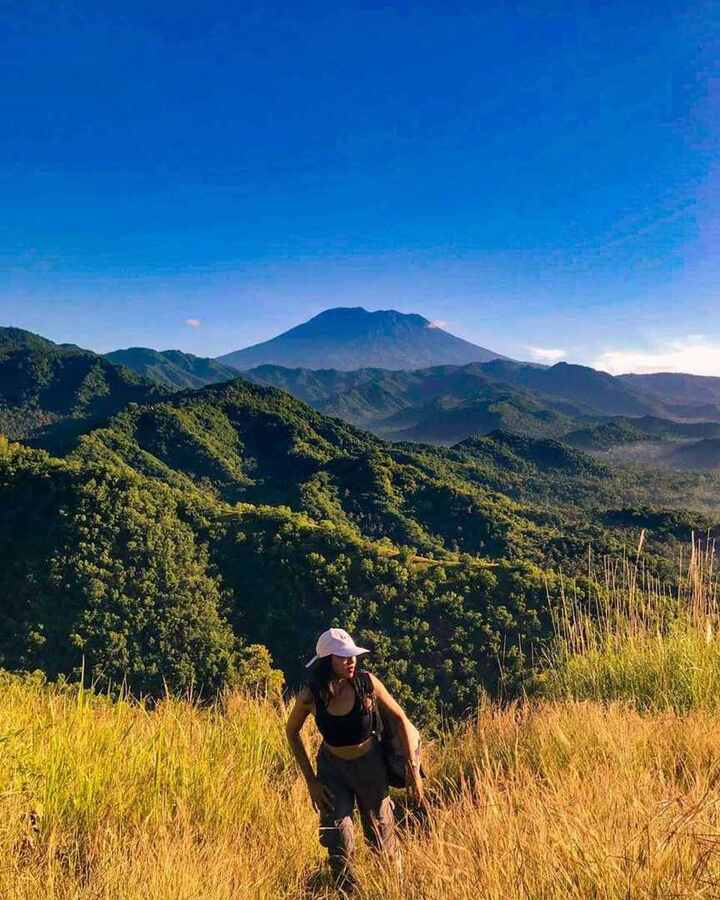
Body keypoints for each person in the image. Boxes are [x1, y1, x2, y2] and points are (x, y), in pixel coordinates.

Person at [285, 627, 424, 892]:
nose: (351, 661)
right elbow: (291, 732)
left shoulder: (366, 683)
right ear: (328, 661)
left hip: (370, 767)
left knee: (381, 837)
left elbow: (399, 718)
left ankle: (393, 890)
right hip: (332, 770)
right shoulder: (311, 696)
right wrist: (311, 782)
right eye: (343, 657)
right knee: (339, 841)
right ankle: (346, 893)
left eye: (352, 656)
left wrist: (413, 770)